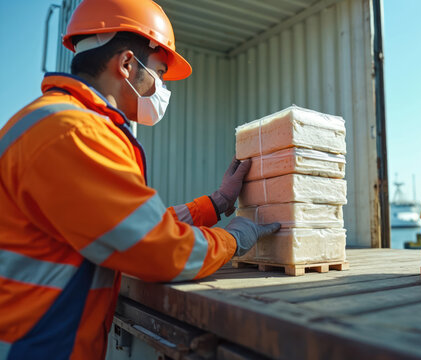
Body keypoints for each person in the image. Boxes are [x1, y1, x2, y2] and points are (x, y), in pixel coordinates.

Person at [0, 0, 279, 358]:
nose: (161, 88)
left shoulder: (52, 121)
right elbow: (157, 249)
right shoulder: (75, 133)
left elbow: (125, 226)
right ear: (128, 64)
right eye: (159, 73)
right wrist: (233, 239)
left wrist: (216, 203)